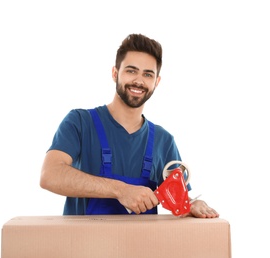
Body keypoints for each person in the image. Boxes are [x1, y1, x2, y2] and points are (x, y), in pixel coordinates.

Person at [40, 33, 219, 218]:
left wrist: (192, 204)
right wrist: (120, 190)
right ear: (115, 73)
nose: (139, 81)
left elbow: (179, 201)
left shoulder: (163, 141)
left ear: (156, 82)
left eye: (148, 74)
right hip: (84, 245)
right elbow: (50, 175)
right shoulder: (80, 122)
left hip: (141, 246)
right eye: (131, 71)